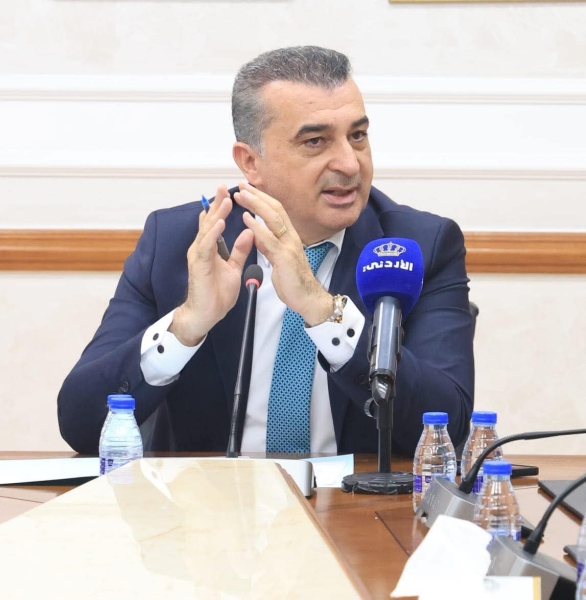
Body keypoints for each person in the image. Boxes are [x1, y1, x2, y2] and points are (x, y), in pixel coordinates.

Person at [58, 46, 474, 457]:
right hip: (211, 497)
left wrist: (323, 310)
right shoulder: (178, 243)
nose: (350, 164)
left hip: (353, 498)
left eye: (357, 136)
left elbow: (448, 427)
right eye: (315, 141)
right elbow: (81, 424)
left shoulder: (418, 247)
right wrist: (187, 325)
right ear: (250, 162)